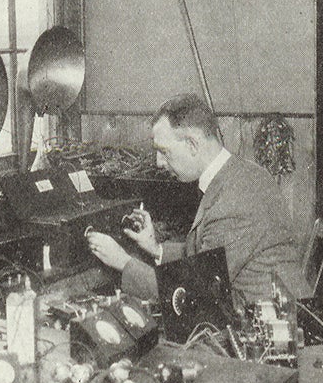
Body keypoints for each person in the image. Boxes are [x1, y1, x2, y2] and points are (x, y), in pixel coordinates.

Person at [86, 93, 311, 305]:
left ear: (193, 145)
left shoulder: (236, 198)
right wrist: (155, 248)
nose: (159, 163)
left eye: (164, 152)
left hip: (280, 330)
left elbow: (193, 288)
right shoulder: (236, 175)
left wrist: (122, 261)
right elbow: (207, 255)